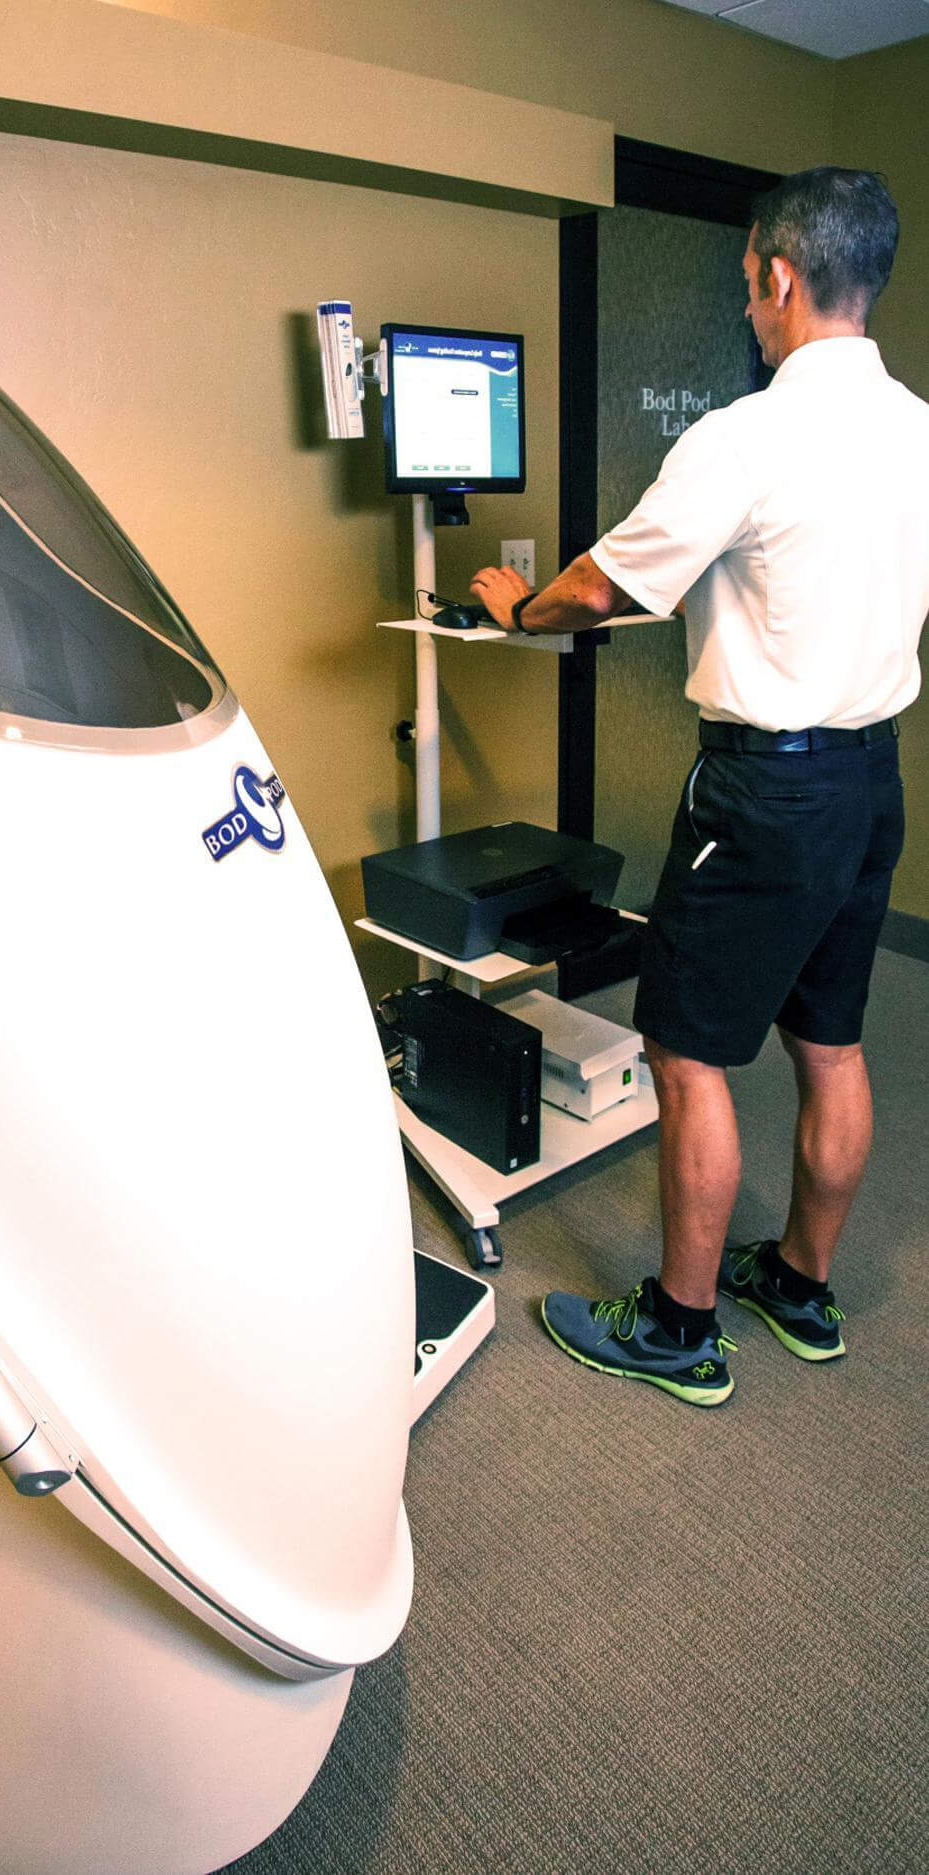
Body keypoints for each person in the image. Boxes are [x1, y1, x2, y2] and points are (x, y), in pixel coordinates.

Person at [469, 167, 929, 1406]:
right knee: (832, 1041)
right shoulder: (920, 429)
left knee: (685, 1051)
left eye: (748, 287)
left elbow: (603, 589)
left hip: (766, 797)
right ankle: (800, 1282)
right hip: (869, 782)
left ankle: (677, 1328)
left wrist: (518, 613)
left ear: (779, 276)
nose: (749, 309)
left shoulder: (751, 434)